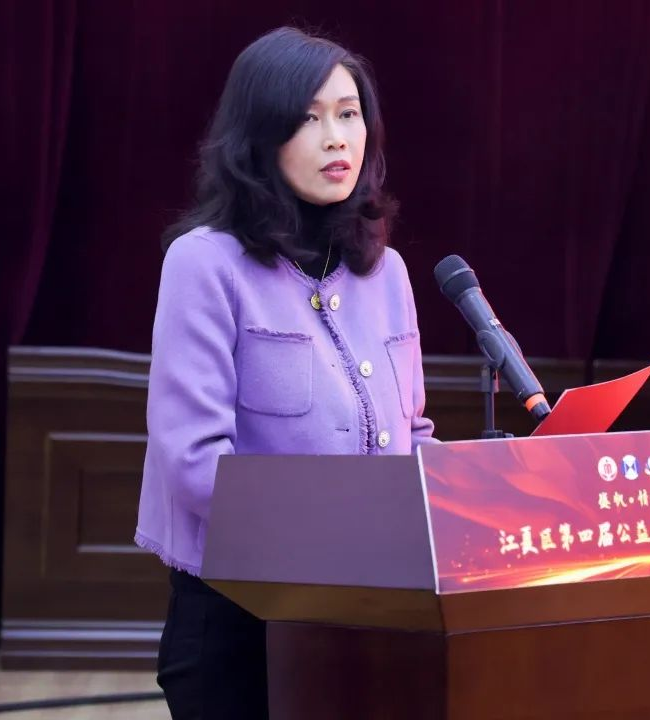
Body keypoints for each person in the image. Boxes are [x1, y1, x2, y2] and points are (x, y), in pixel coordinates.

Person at [134, 25, 437, 719]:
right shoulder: (204, 263)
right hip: (242, 619)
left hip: (372, 612)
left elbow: (409, 435)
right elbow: (194, 463)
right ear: (259, 137)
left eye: (349, 114)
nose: (337, 138)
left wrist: (472, 491)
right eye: (308, 118)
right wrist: (351, 527)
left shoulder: (385, 270)